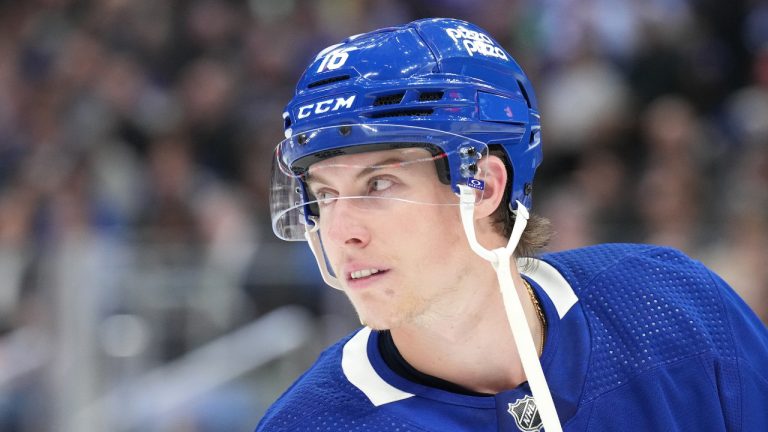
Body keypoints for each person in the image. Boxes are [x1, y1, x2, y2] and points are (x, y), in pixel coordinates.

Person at [257, 18, 768, 432]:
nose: (339, 230)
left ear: (482, 184)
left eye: (379, 184)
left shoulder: (673, 306)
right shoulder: (312, 423)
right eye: (323, 194)